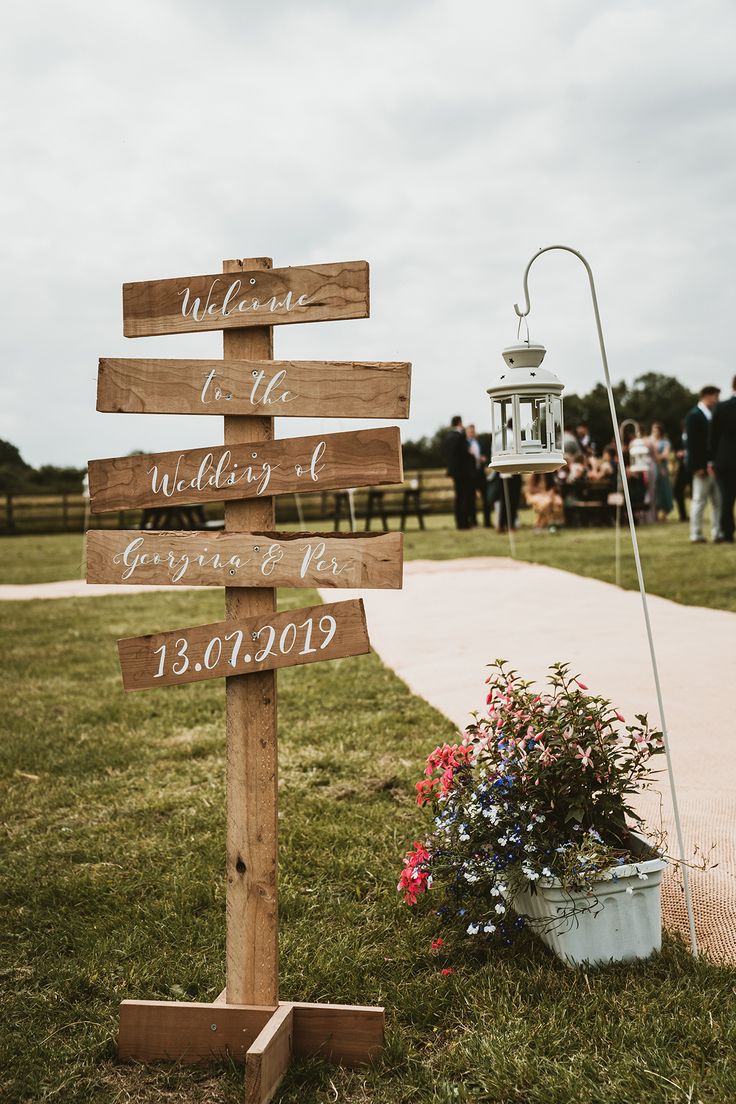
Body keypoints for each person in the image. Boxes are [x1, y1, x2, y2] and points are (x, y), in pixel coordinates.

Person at [685, 385, 722, 543]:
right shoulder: (694, 416)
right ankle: (696, 533)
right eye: (715, 396)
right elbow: (692, 444)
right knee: (699, 500)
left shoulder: (714, 414)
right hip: (700, 467)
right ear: (707, 396)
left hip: (716, 466)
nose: (717, 400)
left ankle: (717, 532)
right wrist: (697, 467)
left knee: (718, 501)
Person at [712, 376, 736, 543]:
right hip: (726, 460)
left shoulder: (721, 407)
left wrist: (711, 460)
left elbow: (713, 437)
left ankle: (727, 533)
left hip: (725, 459)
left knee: (726, 498)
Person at [444, 415, 473, 530]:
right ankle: (464, 523)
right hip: (463, 472)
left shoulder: (448, 437)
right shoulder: (460, 436)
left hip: (453, 471)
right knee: (464, 496)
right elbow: (464, 454)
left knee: (458, 497)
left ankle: (459, 522)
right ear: (460, 423)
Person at [648, 422, 674, 520]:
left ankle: (665, 512)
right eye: (653, 430)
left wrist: (655, 456)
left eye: (656, 430)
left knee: (663, 489)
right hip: (651, 468)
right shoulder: (650, 441)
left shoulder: (665, 442)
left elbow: (665, 455)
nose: (654, 432)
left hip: (662, 468)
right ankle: (654, 512)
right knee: (654, 490)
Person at [466, 424, 490, 527]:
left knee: (486, 498)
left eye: (473, 431)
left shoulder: (479, 443)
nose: (472, 433)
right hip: (470, 475)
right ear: (467, 432)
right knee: (471, 499)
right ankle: (473, 521)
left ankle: (487, 521)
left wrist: (484, 459)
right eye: (470, 431)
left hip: (480, 473)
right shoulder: (465, 444)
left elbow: (485, 455)